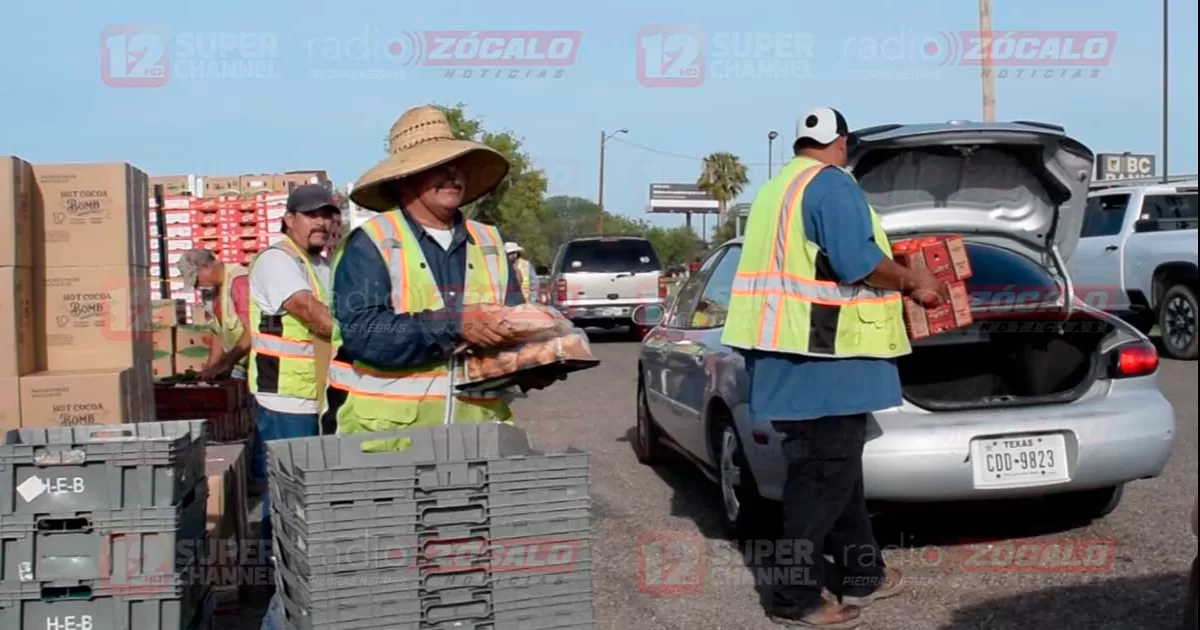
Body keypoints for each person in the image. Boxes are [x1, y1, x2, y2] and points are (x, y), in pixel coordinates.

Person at [721, 107, 949, 629]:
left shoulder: (777, 189)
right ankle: (792, 596)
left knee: (836, 470)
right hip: (827, 355)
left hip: (784, 353)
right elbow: (858, 263)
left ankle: (862, 572)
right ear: (841, 144)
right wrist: (916, 281)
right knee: (822, 475)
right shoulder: (833, 186)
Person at [322, 104, 558, 436]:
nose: (452, 176)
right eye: (437, 167)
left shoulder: (489, 240)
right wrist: (455, 324)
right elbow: (366, 335)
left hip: (480, 435)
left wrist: (535, 357)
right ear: (404, 179)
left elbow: (512, 323)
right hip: (390, 441)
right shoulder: (371, 242)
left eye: (456, 166)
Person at [247, 184, 338, 538]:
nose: (321, 222)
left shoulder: (320, 264)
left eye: (327, 215)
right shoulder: (277, 260)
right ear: (288, 219)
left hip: (317, 395)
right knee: (288, 489)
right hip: (286, 397)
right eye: (312, 215)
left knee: (311, 488)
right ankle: (272, 572)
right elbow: (310, 312)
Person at [177, 249, 251, 381]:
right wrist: (210, 369)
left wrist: (226, 363)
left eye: (196, 279)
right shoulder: (212, 293)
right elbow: (217, 333)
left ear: (207, 267)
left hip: (255, 367)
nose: (197, 286)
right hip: (237, 366)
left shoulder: (239, 282)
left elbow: (252, 332)